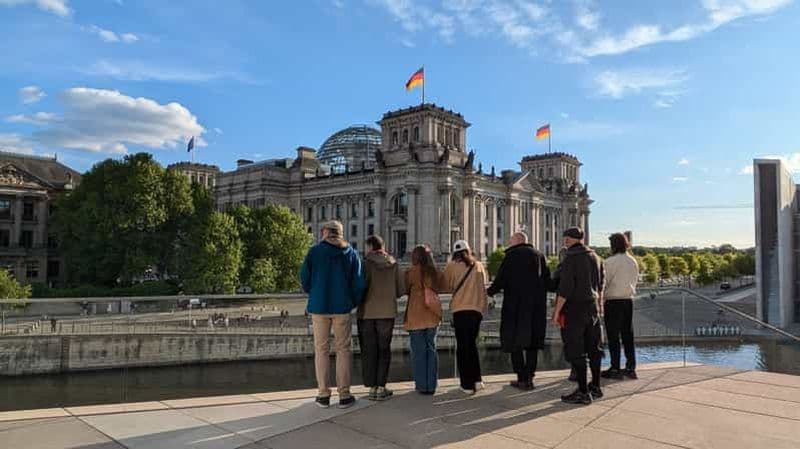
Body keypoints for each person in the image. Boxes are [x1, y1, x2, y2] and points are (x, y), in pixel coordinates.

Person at [300, 220, 365, 409]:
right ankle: (344, 395)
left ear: (325, 232)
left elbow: (304, 278)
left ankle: (323, 395)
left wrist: (315, 292)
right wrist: (351, 301)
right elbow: (359, 283)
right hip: (342, 307)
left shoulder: (314, 252)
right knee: (343, 350)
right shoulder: (350, 253)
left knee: (321, 350)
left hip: (319, 307)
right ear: (341, 233)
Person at [487, 232, 549, 391]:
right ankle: (530, 377)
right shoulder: (540, 256)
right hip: (536, 308)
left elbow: (501, 279)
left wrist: (489, 292)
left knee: (515, 342)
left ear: (515, 242)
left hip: (515, 307)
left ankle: (521, 377)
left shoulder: (511, 256)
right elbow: (548, 282)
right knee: (532, 344)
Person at [552, 227, 605, 405]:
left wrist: (556, 312)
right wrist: (599, 306)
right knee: (594, 349)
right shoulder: (596, 257)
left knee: (576, 350)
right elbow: (600, 286)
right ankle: (596, 386)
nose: (564, 241)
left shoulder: (570, 258)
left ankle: (583, 392)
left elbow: (565, 289)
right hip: (592, 308)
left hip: (574, 310)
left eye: (565, 238)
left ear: (568, 239)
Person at [358, 235, 404, 401]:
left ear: (370, 246)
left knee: (370, 350)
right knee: (384, 350)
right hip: (387, 313)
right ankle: (382, 387)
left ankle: (372, 387)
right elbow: (400, 290)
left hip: (367, 313)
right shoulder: (394, 263)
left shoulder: (364, 263)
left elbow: (359, 287)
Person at [444, 240, 488, 395]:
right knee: (472, 346)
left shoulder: (452, 266)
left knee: (463, 348)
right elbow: (484, 286)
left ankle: (467, 385)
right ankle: (477, 379)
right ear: (469, 251)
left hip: (460, 311)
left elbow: (448, 285)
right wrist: (482, 308)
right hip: (476, 311)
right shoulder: (479, 265)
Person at [404, 244, 443, 395]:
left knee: (418, 352)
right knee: (431, 350)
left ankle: (421, 386)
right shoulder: (434, 272)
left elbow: (405, 289)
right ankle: (432, 385)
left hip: (415, 317)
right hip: (432, 316)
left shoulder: (411, 273)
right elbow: (441, 286)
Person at [601, 232, 640, 380]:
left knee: (613, 336)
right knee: (628, 335)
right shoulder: (633, 261)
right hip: (628, 300)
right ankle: (631, 367)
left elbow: (605, 283)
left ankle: (615, 368)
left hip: (613, 301)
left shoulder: (610, 262)